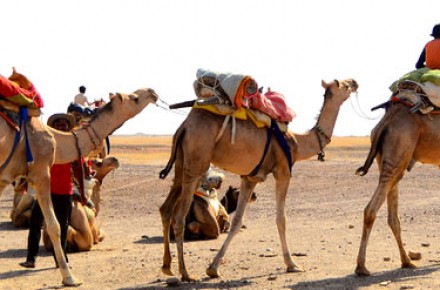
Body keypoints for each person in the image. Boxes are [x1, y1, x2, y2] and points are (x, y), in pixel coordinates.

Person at [19, 113, 78, 269]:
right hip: (45, 191)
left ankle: (61, 260)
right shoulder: (45, 144)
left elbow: (79, 168)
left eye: (63, 124)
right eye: (58, 124)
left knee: (63, 227)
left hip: (65, 191)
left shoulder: (71, 147)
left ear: (68, 127)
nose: (61, 126)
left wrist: (83, 193)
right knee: (35, 223)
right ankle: (31, 258)